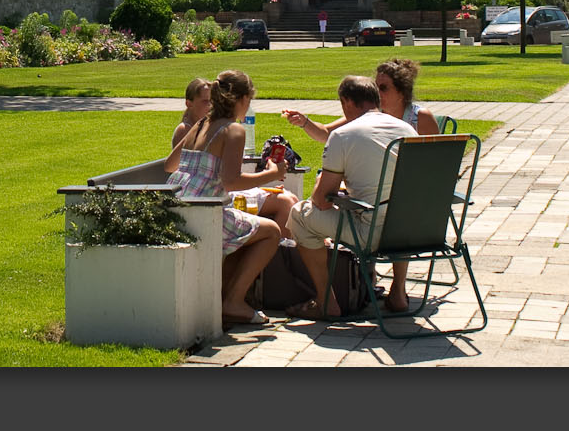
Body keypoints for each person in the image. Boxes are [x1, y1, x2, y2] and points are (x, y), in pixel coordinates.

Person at [280, 58, 436, 311]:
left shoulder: (344, 134)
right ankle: (397, 292)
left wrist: (329, 188)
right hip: (413, 230)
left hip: (373, 233)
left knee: (299, 215)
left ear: (347, 103)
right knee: (393, 206)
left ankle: (325, 302)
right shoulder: (407, 128)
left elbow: (320, 200)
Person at [165, 69, 289, 327]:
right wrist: (272, 173)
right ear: (242, 99)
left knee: (245, 227)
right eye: (250, 100)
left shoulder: (200, 124)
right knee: (272, 231)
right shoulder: (233, 130)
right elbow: (231, 182)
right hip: (205, 212)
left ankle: (226, 298)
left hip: (179, 204)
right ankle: (232, 301)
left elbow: (170, 165)